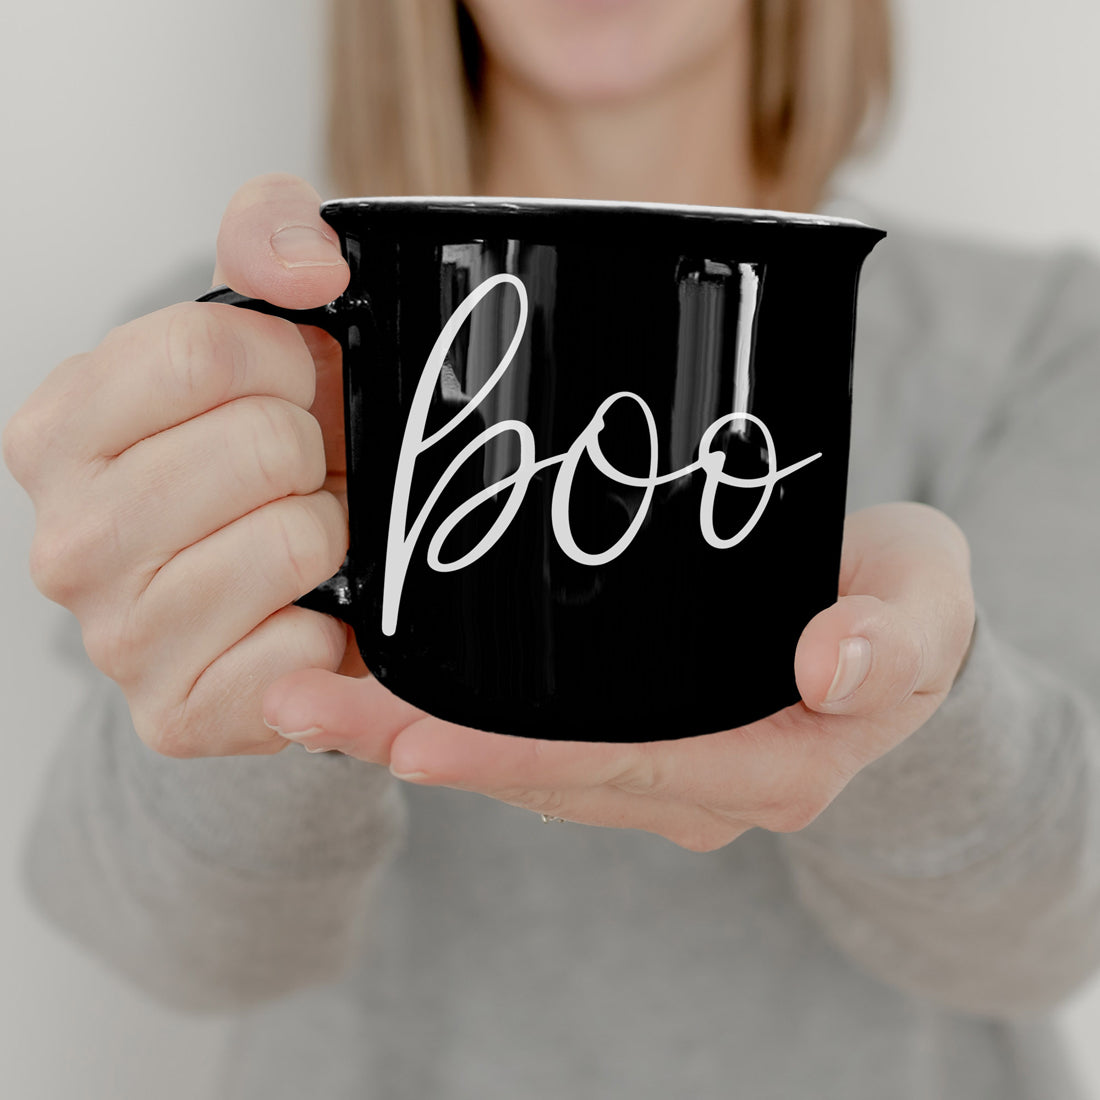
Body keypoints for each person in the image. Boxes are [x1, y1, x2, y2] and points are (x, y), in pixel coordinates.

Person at [5, 1, 1100, 1097]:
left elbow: (1057, 928)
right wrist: (277, 664)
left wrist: (917, 701)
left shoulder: (1038, 340)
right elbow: (161, 945)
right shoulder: (240, 364)